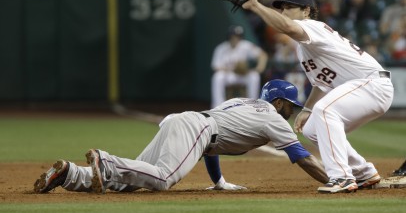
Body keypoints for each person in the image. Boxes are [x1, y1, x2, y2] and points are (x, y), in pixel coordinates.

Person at [33, 79, 328, 194]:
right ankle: (105, 161)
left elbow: (211, 146)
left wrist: (219, 182)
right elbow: (302, 158)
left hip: (188, 122)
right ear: (278, 102)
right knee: (163, 179)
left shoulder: (239, 103)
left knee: (128, 185)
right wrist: (333, 180)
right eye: (291, 105)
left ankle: (70, 174)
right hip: (196, 128)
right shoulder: (274, 119)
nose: (292, 110)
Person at [242, 0, 394, 193]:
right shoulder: (303, 48)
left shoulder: (312, 26)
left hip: (373, 84)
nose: (284, 12)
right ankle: (363, 172)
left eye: (289, 7)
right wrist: (306, 110)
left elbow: (287, 27)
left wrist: (255, 6)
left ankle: (342, 177)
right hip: (364, 88)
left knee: (326, 110)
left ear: (306, 11)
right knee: (312, 128)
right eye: (282, 8)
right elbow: (321, 84)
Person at [210, 25, 268, 108]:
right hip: (229, 76)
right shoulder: (221, 48)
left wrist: (259, 68)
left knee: (254, 76)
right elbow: (215, 67)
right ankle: (217, 106)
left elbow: (262, 55)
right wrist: (233, 69)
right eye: (233, 36)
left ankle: (253, 105)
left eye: (238, 36)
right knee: (218, 76)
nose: (235, 38)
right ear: (229, 36)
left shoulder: (245, 45)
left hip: (242, 76)